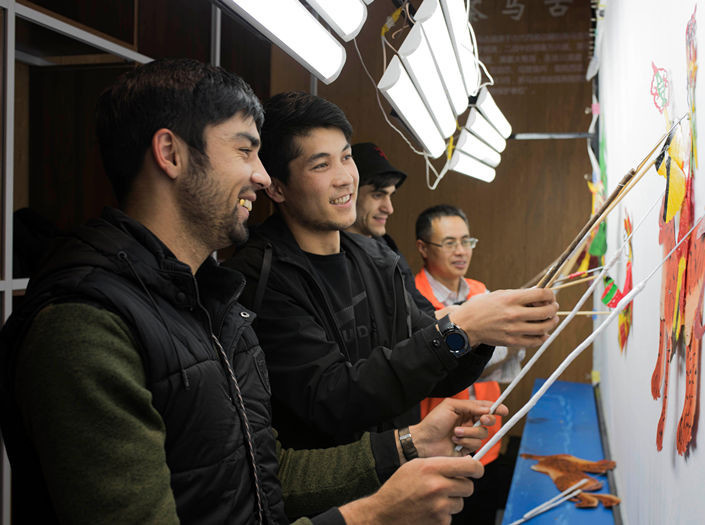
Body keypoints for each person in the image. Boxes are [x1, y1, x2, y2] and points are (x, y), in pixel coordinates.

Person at [0, 58, 507, 525]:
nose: (261, 177)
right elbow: (332, 399)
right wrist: (370, 516)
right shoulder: (86, 325)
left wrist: (408, 443)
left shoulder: (210, 303)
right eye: (245, 150)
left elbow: (261, 478)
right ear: (171, 153)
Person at [224, 91, 559, 452]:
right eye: (321, 165)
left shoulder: (378, 260)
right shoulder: (258, 278)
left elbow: (433, 369)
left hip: (399, 475)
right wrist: (466, 325)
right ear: (276, 186)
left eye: (346, 158)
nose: (345, 178)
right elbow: (333, 399)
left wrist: (486, 330)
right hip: (325, 502)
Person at [415, 204, 525, 523]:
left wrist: (517, 337)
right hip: (441, 443)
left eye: (467, 241)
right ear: (423, 247)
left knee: (481, 512)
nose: (461, 251)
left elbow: (495, 366)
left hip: (485, 437)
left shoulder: (480, 293)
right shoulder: (413, 301)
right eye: (449, 243)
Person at [345, 142, 434, 316]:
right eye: (377, 195)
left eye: (390, 195)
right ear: (349, 193)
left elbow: (421, 309)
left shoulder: (386, 246)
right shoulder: (332, 253)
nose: (389, 208)